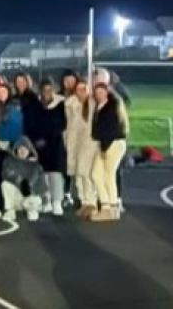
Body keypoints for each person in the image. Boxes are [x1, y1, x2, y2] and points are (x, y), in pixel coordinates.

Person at [89, 82, 127, 222]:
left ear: (107, 92)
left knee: (107, 175)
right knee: (96, 174)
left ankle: (110, 207)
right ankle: (109, 206)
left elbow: (110, 130)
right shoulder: (100, 107)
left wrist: (105, 148)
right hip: (106, 144)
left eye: (101, 92)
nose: (99, 94)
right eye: (96, 92)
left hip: (112, 144)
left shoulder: (111, 107)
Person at [32, 79, 67, 215]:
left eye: (49, 90)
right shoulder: (36, 107)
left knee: (55, 174)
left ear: (52, 91)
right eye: (44, 90)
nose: (46, 93)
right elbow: (32, 125)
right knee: (42, 174)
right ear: (40, 91)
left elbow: (61, 124)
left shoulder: (60, 105)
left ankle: (56, 201)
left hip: (55, 144)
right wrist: (37, 140)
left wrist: (47, 138)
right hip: (39, 146)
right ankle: (46, 200)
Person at [65, 80, 98, 218]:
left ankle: (91, 202)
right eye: (79, 89)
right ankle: (83, 201)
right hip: (74, 143)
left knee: (87, 174)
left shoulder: (93, 104)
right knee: (78, 174)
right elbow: (69, 123)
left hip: (90, 143)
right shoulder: (70, 104)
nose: (82, 91)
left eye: (84, 88)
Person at [1, 138, 46, 222]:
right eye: (20, 148)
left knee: (36, 199)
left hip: (30, 196)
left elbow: (41, 185)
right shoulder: (10, 161)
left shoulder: (36, 165)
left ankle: (32, 211)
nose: (22, 151)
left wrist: (30, 188)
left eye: (25, 149)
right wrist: (20, 181)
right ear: (16, 149)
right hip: (16, 197)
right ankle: (10, 210)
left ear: (29, 150)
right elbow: (6, 173)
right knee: (5, 184)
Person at [0, 83, 23, 148]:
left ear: (8, 92)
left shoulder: (15, 105)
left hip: (14, 142)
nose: (1, 94)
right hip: (0, 143)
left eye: (4, 91)